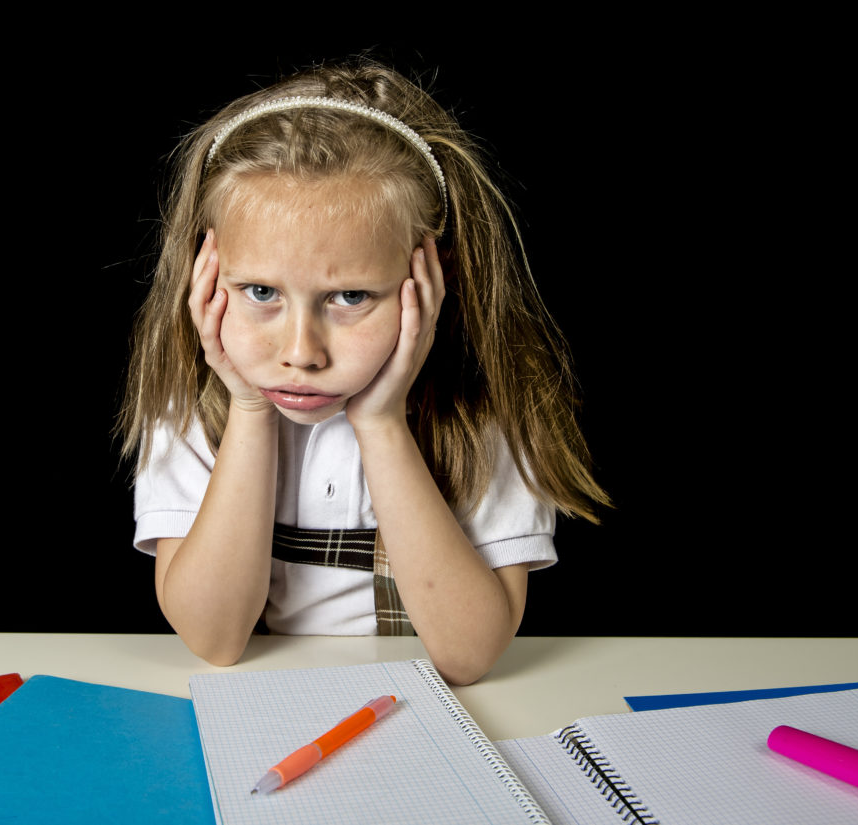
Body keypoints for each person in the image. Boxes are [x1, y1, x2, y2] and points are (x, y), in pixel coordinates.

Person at [119, 59, 609, 684]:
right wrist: (246, 411)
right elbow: (215, 641)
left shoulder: (485, 413)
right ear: (206, 272)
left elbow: (469, 656)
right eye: (261, 292)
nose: (300, 352)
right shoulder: (192, 409)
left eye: (350, 297)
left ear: (432, 278)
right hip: (255, 705)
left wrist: (381, 424)